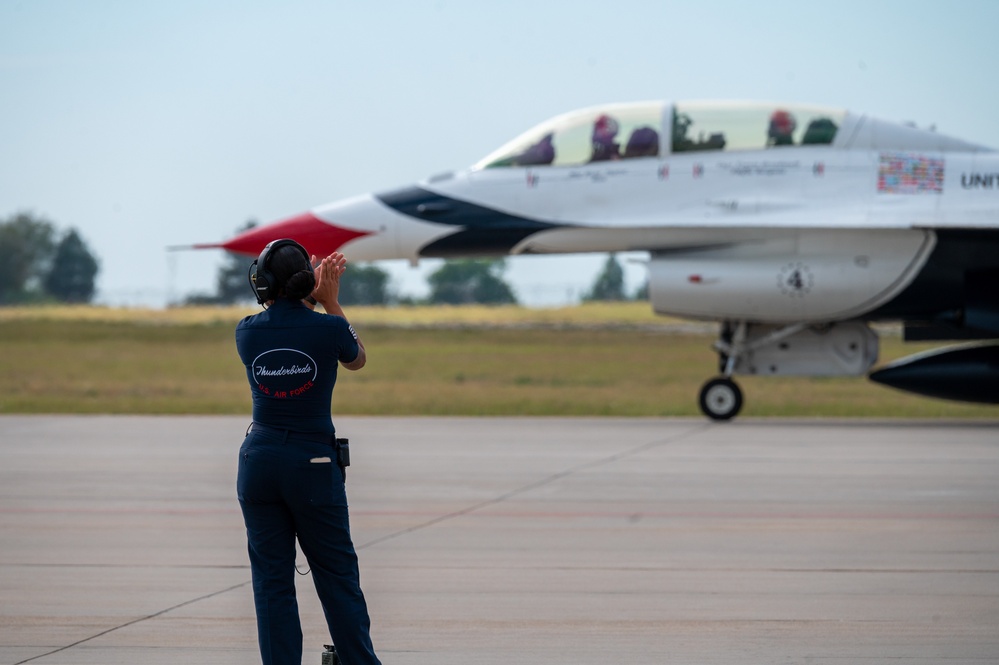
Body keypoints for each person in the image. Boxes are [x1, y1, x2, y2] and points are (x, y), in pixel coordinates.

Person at [235, 238, 380, 665]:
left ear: (265, 284)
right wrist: (330, 301)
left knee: (272, 582)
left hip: (258, 464)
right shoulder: (329, 328)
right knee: (337, 577)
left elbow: (287, 324)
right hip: (313, 466)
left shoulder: (245, 331)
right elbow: (357, 360)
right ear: (309, 284)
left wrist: (307, 296)